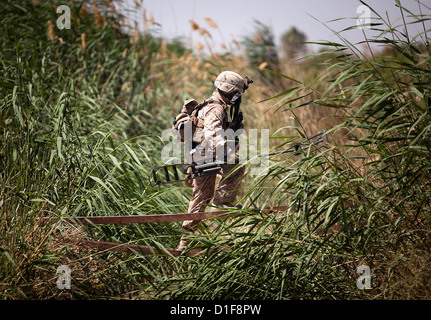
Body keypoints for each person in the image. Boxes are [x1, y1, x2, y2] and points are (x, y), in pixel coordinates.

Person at [178, 71, 247, 250]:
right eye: (237, 93)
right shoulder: (215, 109)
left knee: (200, 199)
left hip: (200, 154)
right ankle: (223, 202)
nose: (237, 97)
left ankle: (184, 244)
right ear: (229, 91)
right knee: (237, 164)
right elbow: (212, 135)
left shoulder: (216, 106)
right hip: (206, 155)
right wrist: (227, 150)